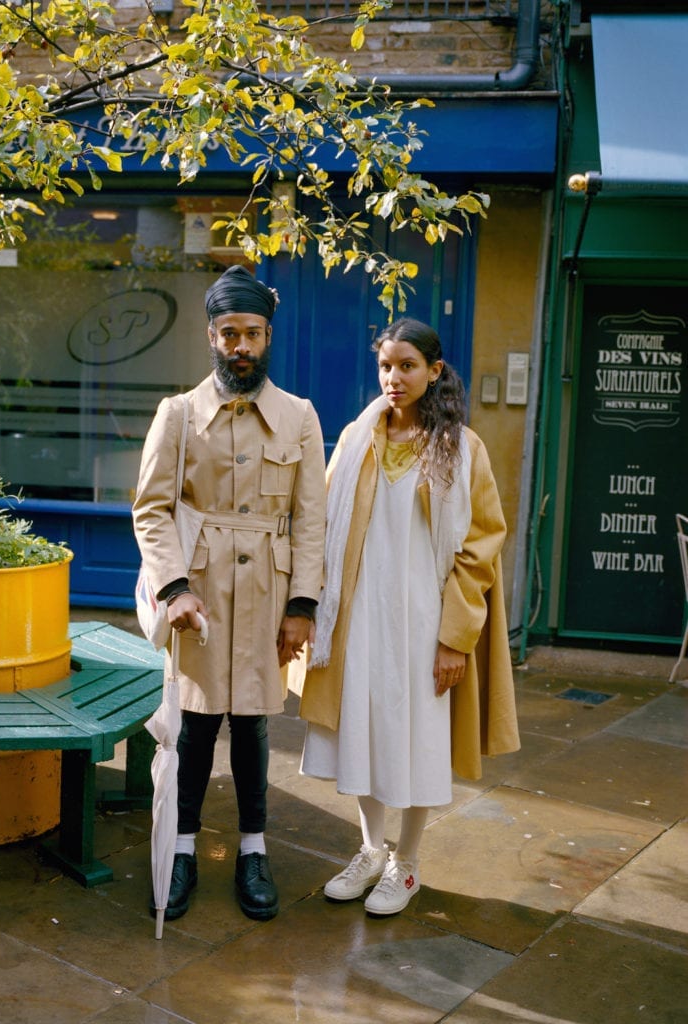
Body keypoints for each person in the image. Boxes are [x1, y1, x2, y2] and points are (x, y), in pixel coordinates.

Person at [294, 316, 519, 917]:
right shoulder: (355, 438)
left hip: (425, 619)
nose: (394, 378)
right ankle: (370, 850)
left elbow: (480, 549)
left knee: (419, 741)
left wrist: (454, 639)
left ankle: (408, 863)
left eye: (407, 366)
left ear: (434, 371)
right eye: (386, 366)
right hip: (360, 615)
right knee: (362, 732)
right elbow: (319, 526)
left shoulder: (462, 449)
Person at [132, 264, 326, 922]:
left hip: (270, 595)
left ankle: (252, 851)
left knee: (252, 725)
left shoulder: (299, 417)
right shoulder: (179, 415)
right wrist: (174, 589)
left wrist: (302, 607)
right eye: (228, 334)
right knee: (193, 724)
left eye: (252, 333)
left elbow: (310, 520)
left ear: (268, 336)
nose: (240, 346)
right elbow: (151, 510)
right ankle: (181, 850)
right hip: (202, 597)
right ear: (211, 337)